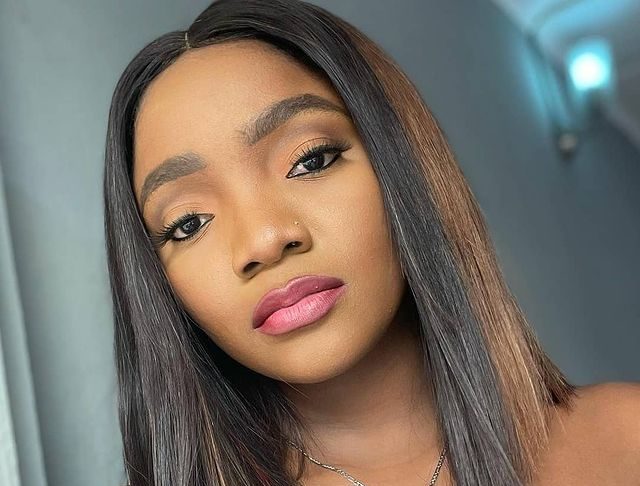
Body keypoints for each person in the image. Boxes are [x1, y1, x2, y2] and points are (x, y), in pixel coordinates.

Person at [103, 0, 640, 484]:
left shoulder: (624, 440)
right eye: (188, 223)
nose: (264, 241)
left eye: (310, 160)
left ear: (402, 166)